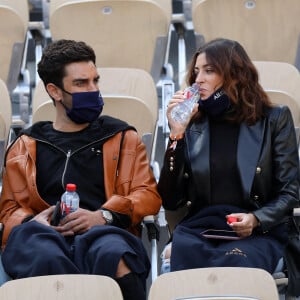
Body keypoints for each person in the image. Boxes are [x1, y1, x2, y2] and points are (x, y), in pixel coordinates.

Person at [0, 39, 162, 300]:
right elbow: (8, 211)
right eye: (81, 83)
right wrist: (32, 221)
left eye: (95, 81)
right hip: (44, 235)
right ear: (54, 91)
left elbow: (147, 195)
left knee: (114, 255)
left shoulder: (122, 137)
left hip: (103, 231)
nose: (93, 90)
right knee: (46, 256)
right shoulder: (25, 146)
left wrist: (104, 216)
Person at [158, 38, 300, 294]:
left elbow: (290, 192)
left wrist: (256, 219)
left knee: (235, 269)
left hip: (258, 232)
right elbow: (170, 199)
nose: (198, 79)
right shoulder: (192, 123)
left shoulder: (274, 119)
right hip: (201, 228)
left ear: (235, 75)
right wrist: (176, 134)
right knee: (181, 269)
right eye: (196, 72)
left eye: (209, 71)